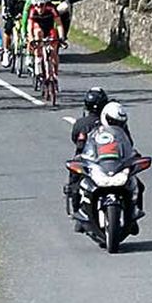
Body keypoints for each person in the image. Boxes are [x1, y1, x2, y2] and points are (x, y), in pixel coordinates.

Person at [76, 102, 144, 234]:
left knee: (139, 186)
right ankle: (80, 216)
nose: (116, 125)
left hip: (117, 165)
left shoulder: (123, 132)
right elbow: (85, 147)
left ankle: (133, 218)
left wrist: (134, 157)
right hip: (99, 164)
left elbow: (128, 147)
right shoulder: (94, 131)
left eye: (119, 122)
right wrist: (83, 157)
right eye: (113, 121)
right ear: (105, 117)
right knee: (78, 183)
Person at [64, 87, 109, 216]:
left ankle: (76, 209)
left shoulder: (81, 123)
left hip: (88, 159)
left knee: (74, 180)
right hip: (105, 159)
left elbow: (74, 138)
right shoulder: (109, 122)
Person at [25, 0, 65, 78]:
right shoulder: (32, 10)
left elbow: (58, 24)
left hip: (49, 28)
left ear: (45, 4)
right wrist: (31, 39)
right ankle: (38, 60)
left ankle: (55, 73)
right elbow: (29, 26)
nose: (39, 8)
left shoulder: (51, 8)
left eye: (41, 5)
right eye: (36, 5)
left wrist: (62, 37)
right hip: (38, 28)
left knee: (54, 51)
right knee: (37, 32)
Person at [0, 0, 31, 67]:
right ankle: (5, 51)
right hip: (10, 4)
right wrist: (4, 11)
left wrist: (26, 13)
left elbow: (28, 0)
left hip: (21, 4)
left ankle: (25, 42)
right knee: (8, 28)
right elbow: (3, 0)